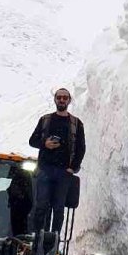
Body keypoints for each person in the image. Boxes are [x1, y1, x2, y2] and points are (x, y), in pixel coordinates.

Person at [28, 89, 86, 237]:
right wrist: (44, 143)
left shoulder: (76, 124)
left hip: (63, 172)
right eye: (59, 97)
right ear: (55, 99)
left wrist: (72, 168)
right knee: (41, 206)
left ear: (69, 100)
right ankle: (38, 238)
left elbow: (81, 148)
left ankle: (53, 239)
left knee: (58, 208)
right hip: (45, 169)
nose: (62, 100)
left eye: (64, 97)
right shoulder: (45, 120)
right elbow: (32, 141)